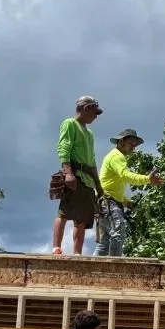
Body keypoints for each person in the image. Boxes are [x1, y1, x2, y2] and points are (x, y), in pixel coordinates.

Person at [96, 128, 163, 257]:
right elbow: (125, 176)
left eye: (135, 145)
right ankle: (115, 268)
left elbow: (110, 185)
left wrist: (126, 202)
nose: (134, 147)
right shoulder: (117, 157)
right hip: (108, 202)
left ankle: (90, 271)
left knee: (104, 242)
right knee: (118, 231)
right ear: (121, 142)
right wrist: (147, 179)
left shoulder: (114, 156)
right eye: (131, 143)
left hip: (105, 200)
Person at [52, 96, 104, 256]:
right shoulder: (70, 124)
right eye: (94, 112)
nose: (96, 116)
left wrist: (98, 185)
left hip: (88, 180)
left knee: (82, 219)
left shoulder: (89, 134)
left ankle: (77, 253)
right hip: (75, 175)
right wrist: (68, 173)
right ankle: (56, 248)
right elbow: (64, 147)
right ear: (86, 108)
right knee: (64, 212)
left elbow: (92, 160)